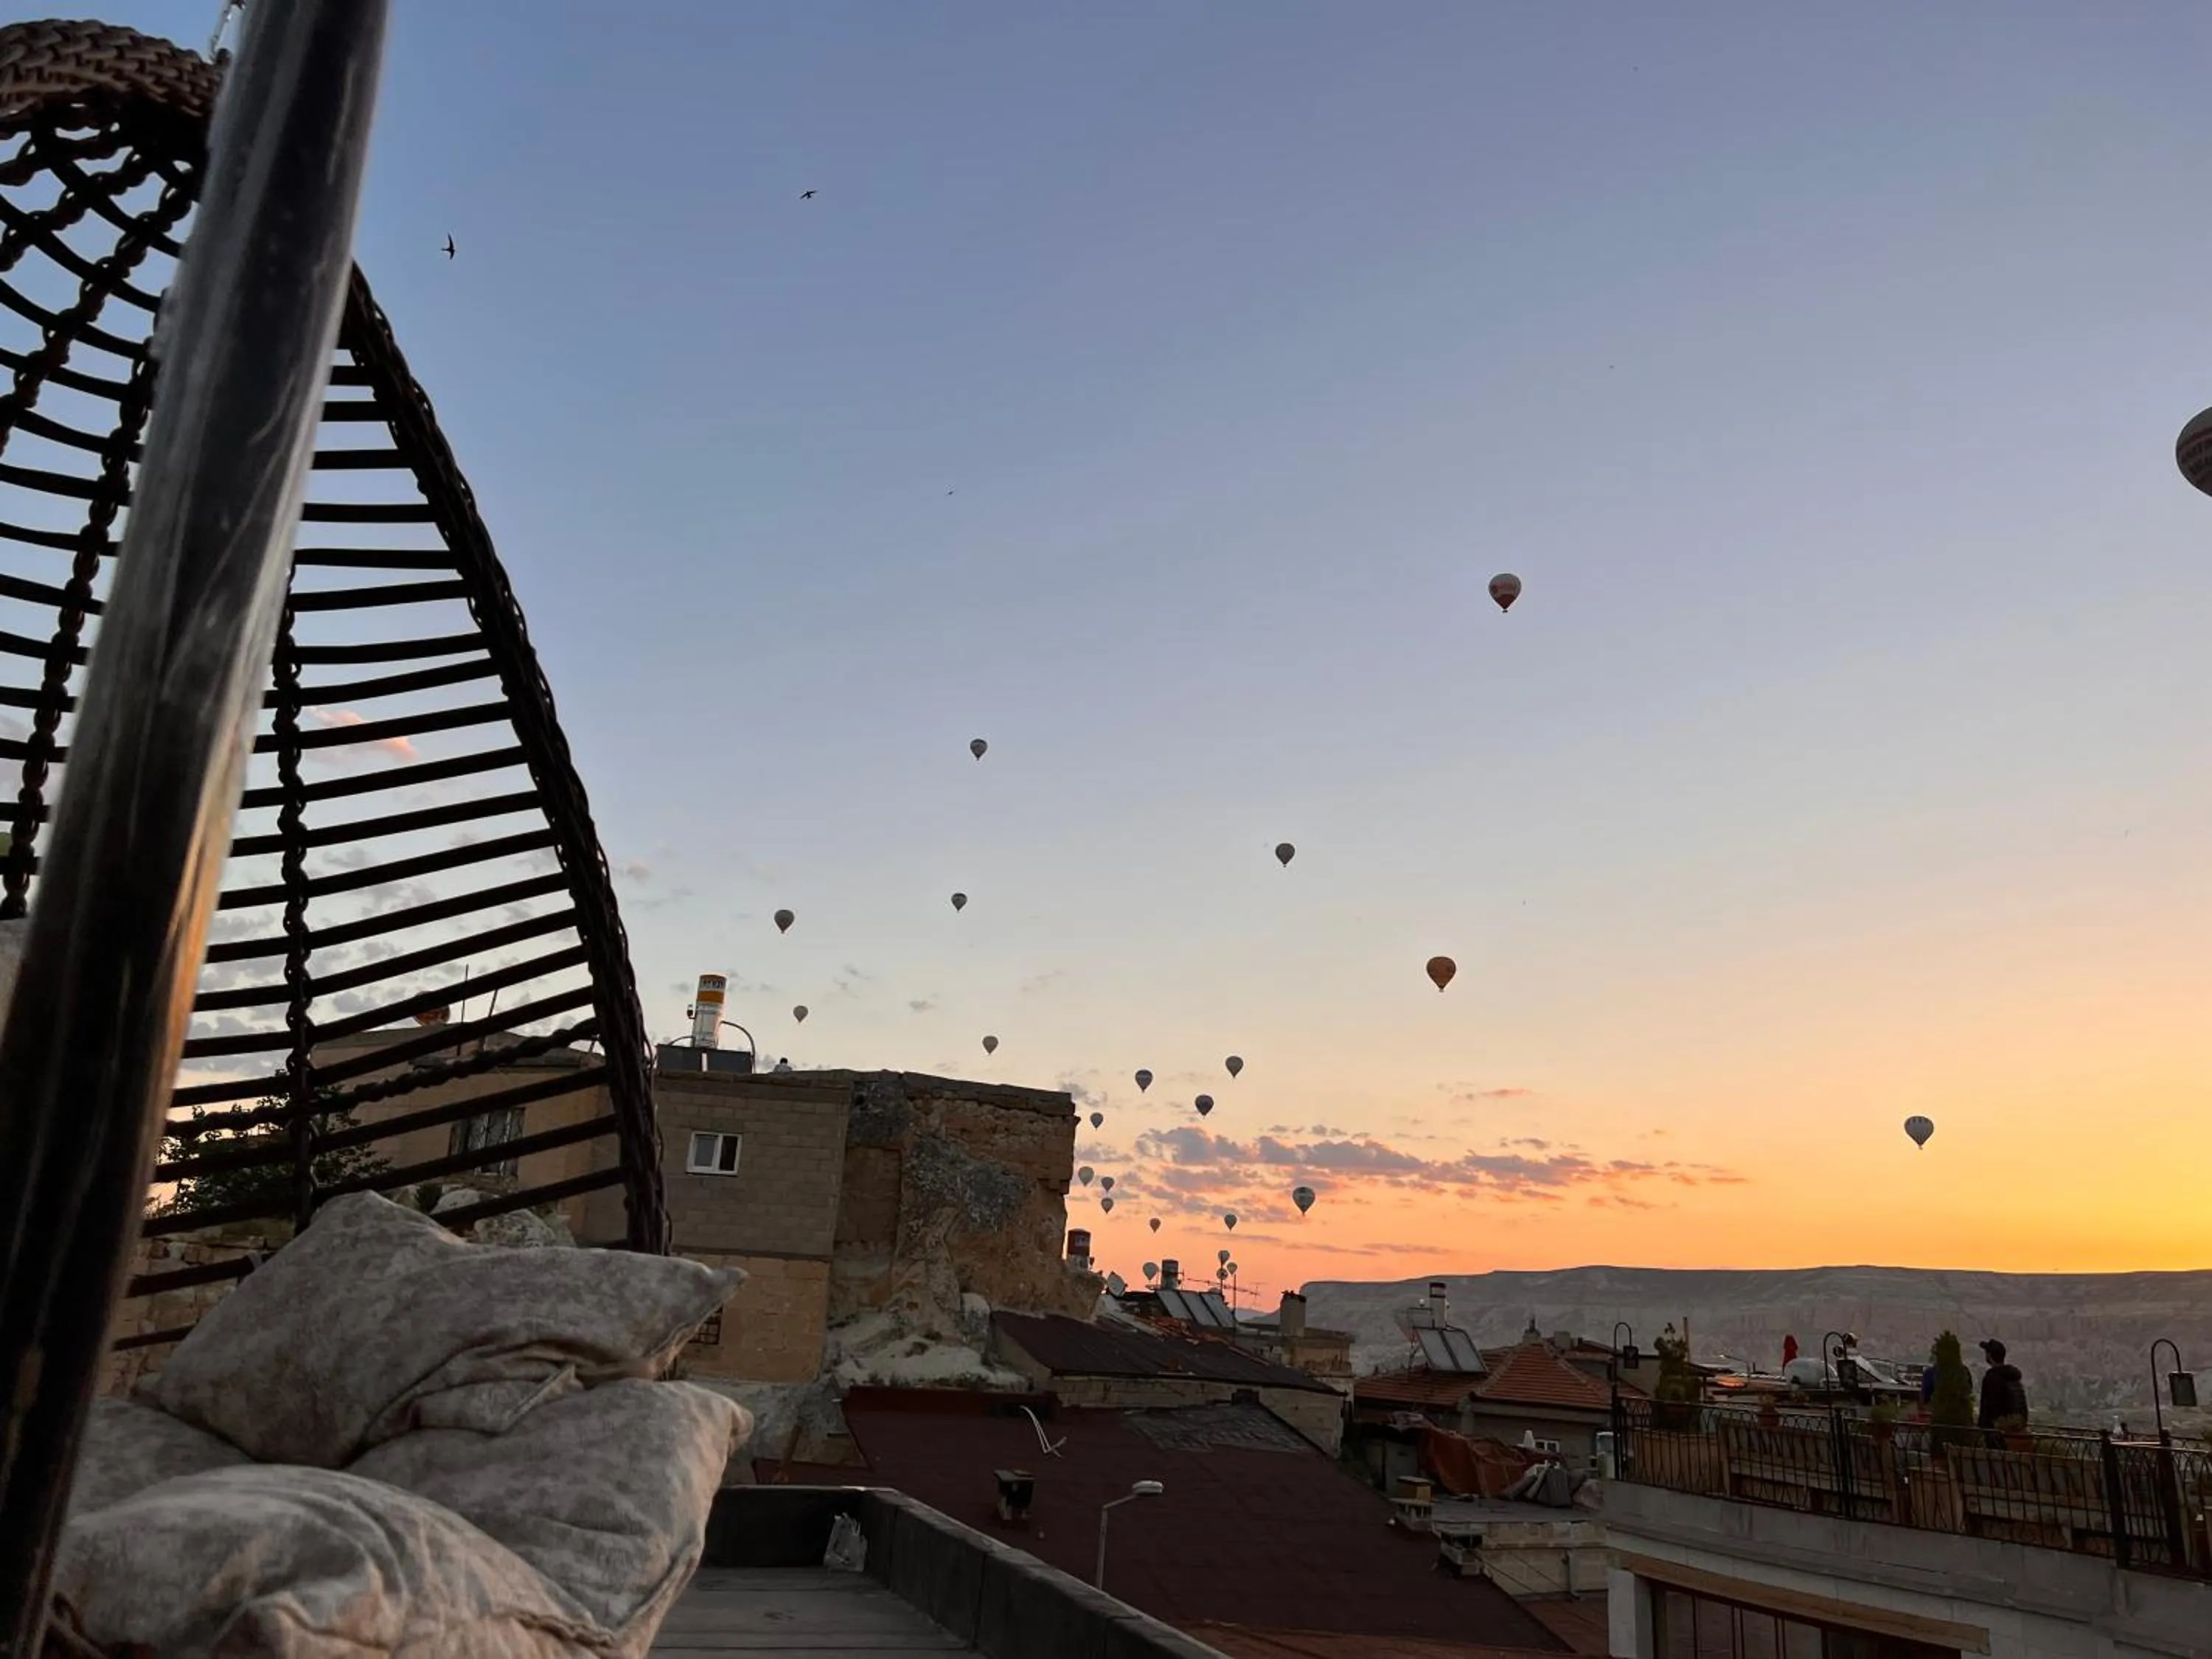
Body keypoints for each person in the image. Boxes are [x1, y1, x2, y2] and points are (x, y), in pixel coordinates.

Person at [1977, 1338, 2028, 1430]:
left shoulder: (1992, 1378)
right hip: (2017, 1429)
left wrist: (1985, 1426)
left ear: (1989, 1355)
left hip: (1998, 1431)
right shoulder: (2013, 1376)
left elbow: (1989, 1406)